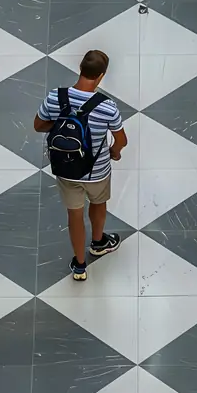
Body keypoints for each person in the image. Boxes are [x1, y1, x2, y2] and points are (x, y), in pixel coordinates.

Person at [34, 50, 128, 281]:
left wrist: (61, 129)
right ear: (101, 75)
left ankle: (79, 265)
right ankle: (98, 243)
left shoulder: (56, 96)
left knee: (74, 215)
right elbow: (121, 139)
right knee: (98, 204)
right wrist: (114, 153)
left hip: (66, 169)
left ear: (80, 68)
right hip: (97, 171)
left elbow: (38, 125)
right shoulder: (107, 106)